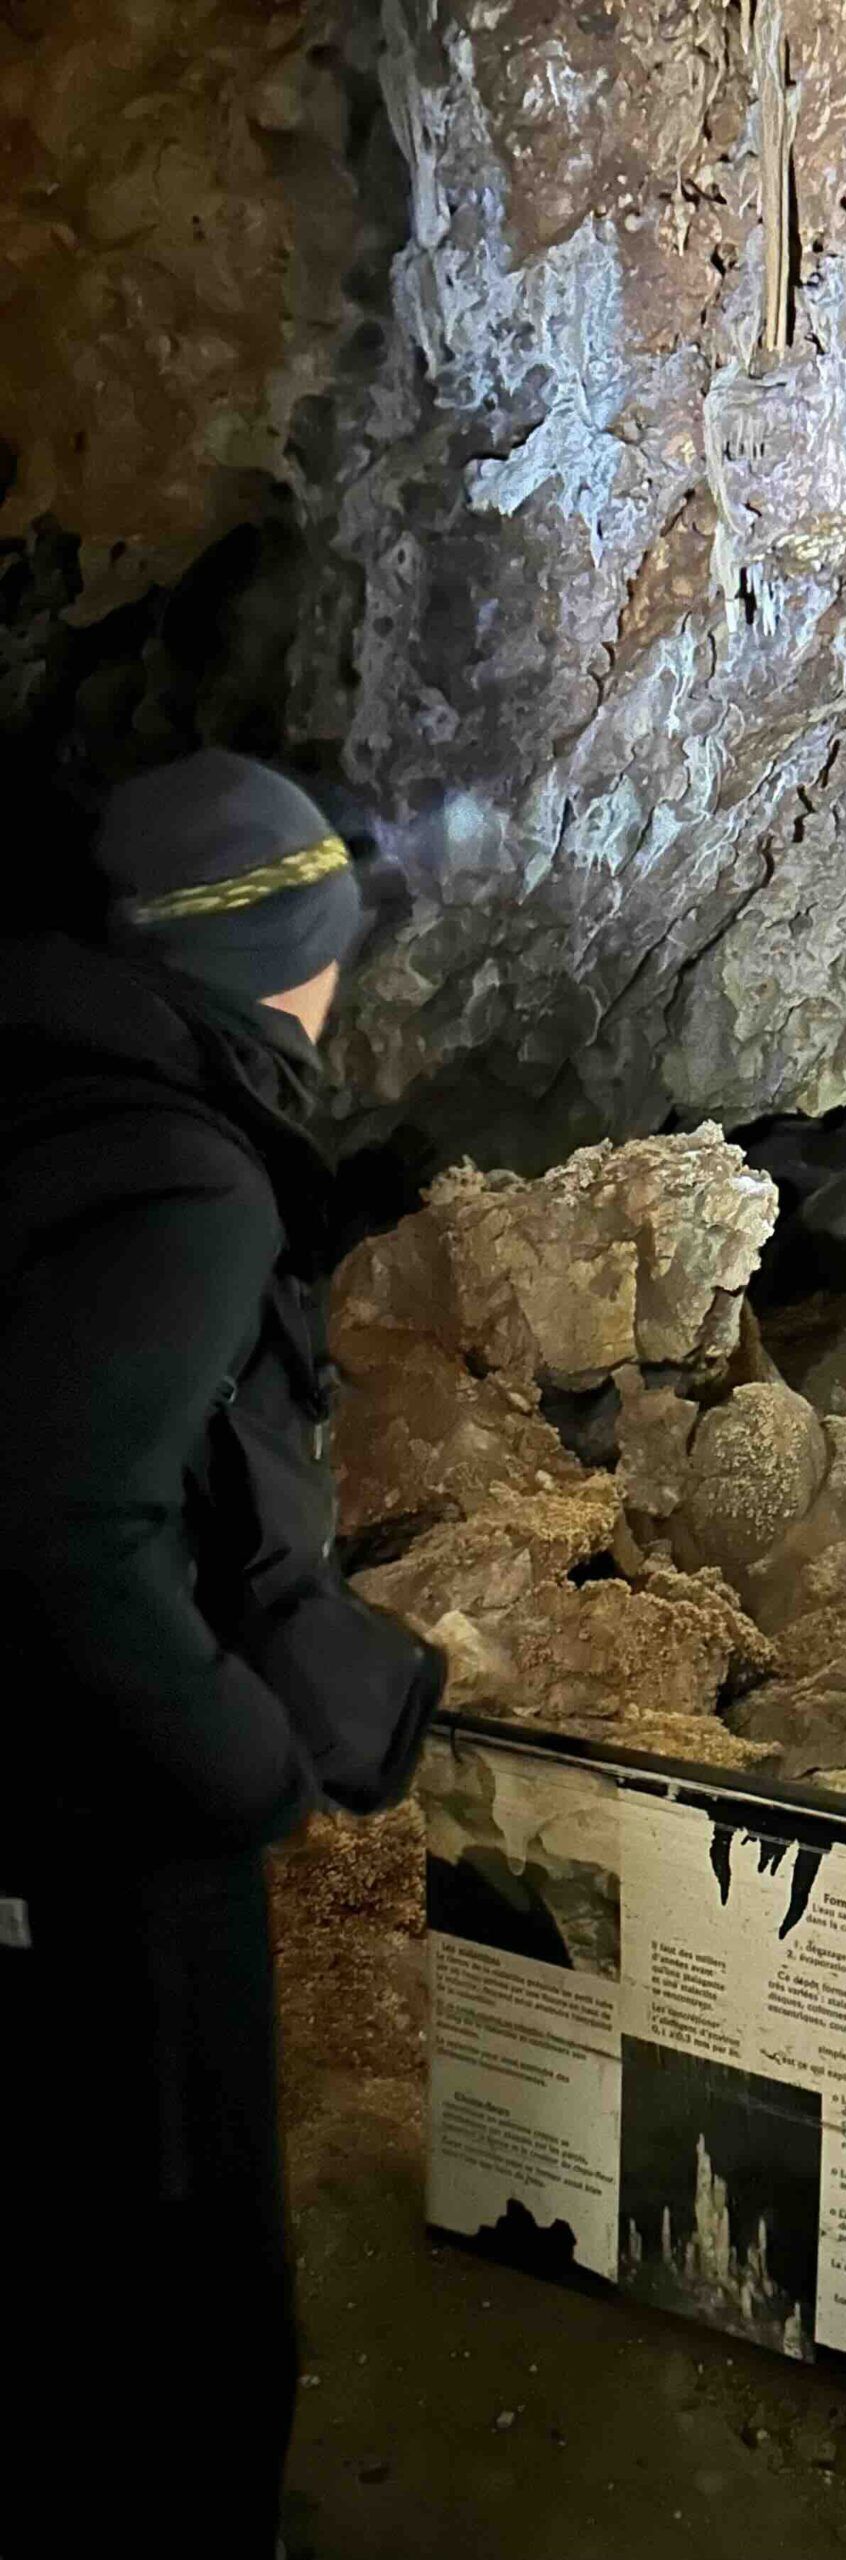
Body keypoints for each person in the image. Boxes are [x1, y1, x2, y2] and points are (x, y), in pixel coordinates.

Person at [0, 751, 445, 2558]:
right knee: (183, 2272)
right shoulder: (188, 1178)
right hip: (106, 1817)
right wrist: (242, 1759)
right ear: (293, 954)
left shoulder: (48, 1101)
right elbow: (62, 1521)